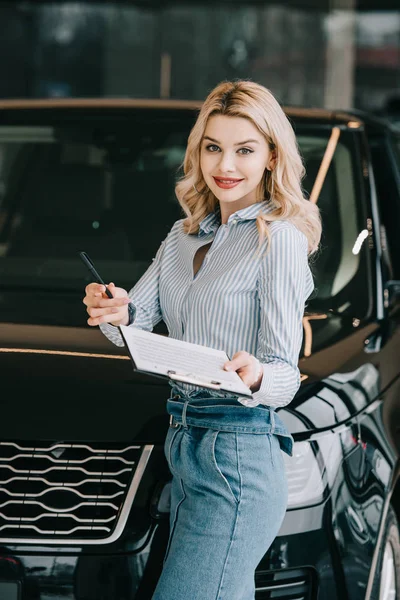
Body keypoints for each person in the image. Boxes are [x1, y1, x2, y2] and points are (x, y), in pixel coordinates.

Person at [82, 79, 322, 600]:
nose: (225, 165)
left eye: (244, 149)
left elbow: (286, 377)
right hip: (184, 443)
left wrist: (257, 374)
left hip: (238, 450)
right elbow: (132, 326)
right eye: (213, 147)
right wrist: (113, 309)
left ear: (272, 155)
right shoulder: (183, 234)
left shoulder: (278, 240)